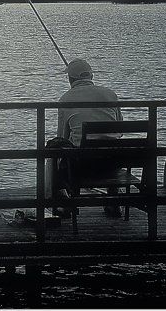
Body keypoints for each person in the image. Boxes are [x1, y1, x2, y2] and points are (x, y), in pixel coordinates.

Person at [49, 58, 123, 218]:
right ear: (91, 76)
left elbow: (62, 137)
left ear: (70, 79)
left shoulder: (65, 99)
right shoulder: (110, 94)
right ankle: (113, 202)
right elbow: (120, 129)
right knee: (108, 145)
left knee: (53, 148)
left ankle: (65, 203)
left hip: (82, 166)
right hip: (113, 163)